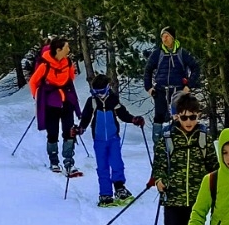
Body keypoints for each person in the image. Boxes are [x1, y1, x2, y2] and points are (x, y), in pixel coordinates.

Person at [148, 93, 214, 225]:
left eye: (192, 117)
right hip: (173, 197)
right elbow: (158, 164)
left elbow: (214, 168)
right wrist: (159, 180)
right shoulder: (167, 138)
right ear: (176, 117)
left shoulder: (204, 139)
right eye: (184, 117)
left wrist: (217, 189)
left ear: (198, 116)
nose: (188, 121)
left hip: (197, 201)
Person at [77, 69, 144, 206]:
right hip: (99, 140)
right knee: (102, 167)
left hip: (113, 138)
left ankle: (119, 188)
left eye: (102, 91)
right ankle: (105, 194)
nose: (100, 95)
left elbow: (123, 114)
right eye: (96, 92)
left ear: (108, 88)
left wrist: (134, 120)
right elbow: (86, 118)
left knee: (117, 162)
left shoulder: (113, 100)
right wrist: (80, 129)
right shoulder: (92, 102)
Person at [29, 37, 81, 176]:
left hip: (66, 102)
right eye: (66, 47)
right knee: (52, 133)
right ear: (58, 50)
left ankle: (69, 161)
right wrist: (38, 98)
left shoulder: (68, 62)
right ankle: (54, 161)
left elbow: (71, 78)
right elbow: (33, 82)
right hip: (51, 103)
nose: (69, 50)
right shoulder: (45, 65)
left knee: (69, 132)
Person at [142, 27, 201, 128]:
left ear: (173, 38)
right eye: (162, 37)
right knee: (159, 118)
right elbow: (148, 70)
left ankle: (177, 140)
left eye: (167, 36)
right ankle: (158, 141)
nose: (164, 39)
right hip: (160, 90)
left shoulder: (182, 53)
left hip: (178, 91)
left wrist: (188, 86)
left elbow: (196, 68)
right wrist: (149, 88)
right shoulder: (157, 53)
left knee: (178, 117)